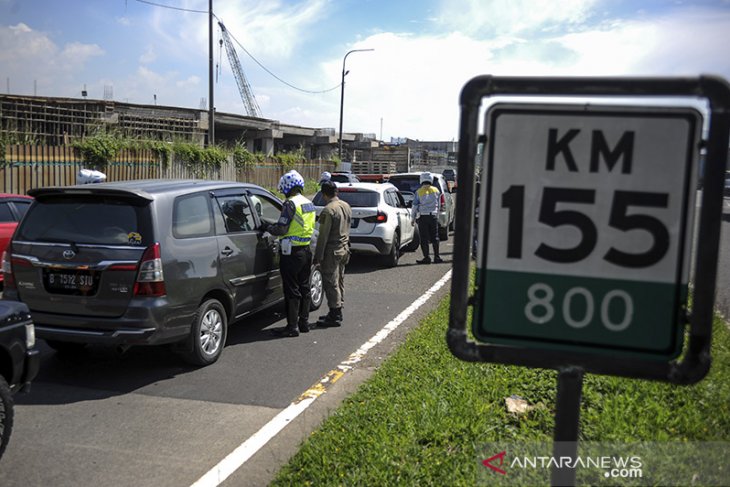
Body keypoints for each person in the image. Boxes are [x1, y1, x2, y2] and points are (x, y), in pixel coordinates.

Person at [265, 170, 317, 337]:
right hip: (306, 250)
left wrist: (267, 227)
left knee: (291, 289)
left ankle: (292, 326)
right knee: (304, 287)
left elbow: (282, 228)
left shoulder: (290, 204)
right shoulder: (308, 203)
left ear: (288, 187)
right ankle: (304, 323)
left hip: (292, 253)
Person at [314, 180, 352, 327]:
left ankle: (335, 313)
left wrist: (318, 256)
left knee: (330, 282)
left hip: (332, 250)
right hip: (344, 247)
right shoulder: (346, 206)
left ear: (324, 194)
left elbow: (323, 235)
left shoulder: (328, 210)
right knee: (340, 280)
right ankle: (338, 308)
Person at [412, 172, 443, 264]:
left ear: (421, 180)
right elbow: (439, 204)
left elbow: (414, 206)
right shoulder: (436, 190)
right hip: (433, 216)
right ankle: (437, 257)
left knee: (424, 238)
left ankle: (427, 257)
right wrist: (438, 215)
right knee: (435, 237)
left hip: (423, 217)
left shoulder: (418, 192)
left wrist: (412, 219)